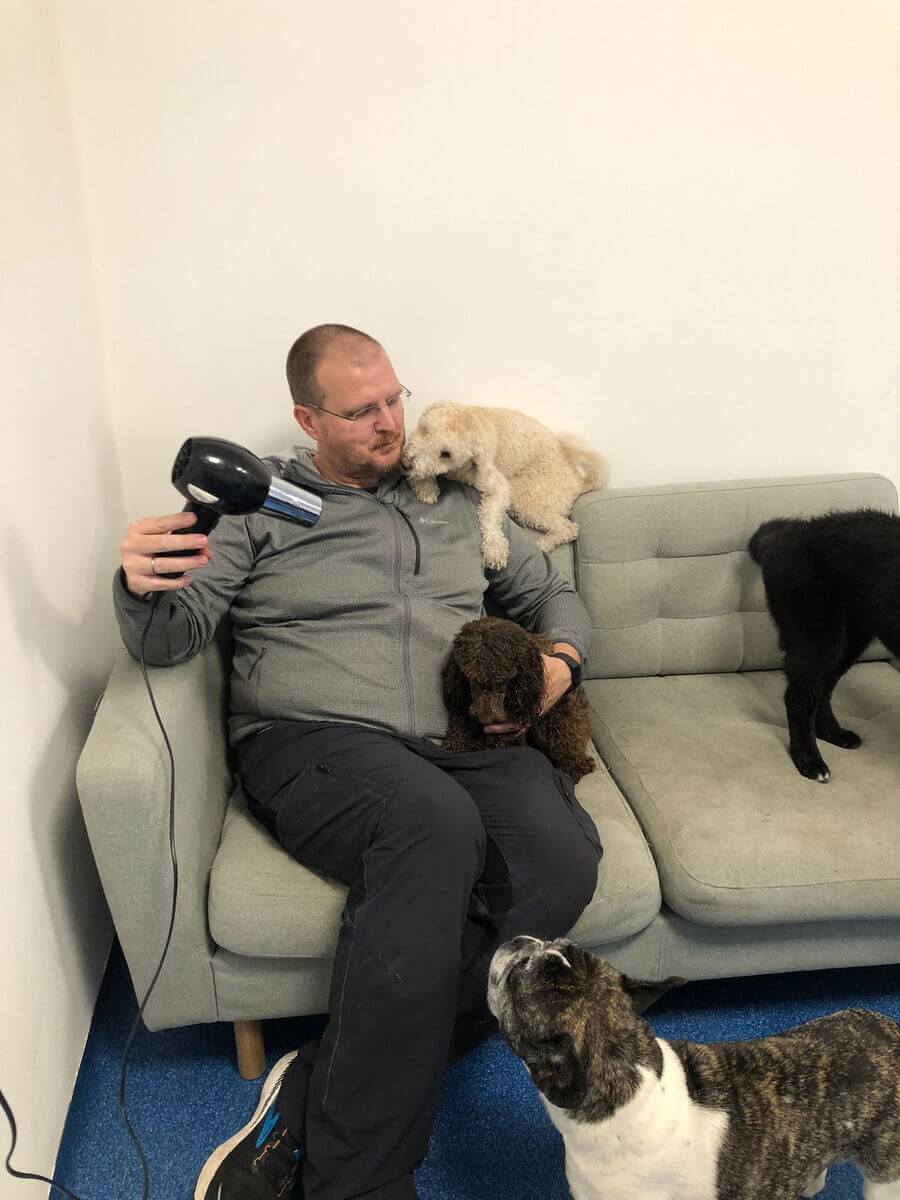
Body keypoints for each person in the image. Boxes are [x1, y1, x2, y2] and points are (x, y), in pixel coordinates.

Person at [114, 325, 602, 1200]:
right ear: (308, 419)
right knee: (433, 825)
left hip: (455, 745)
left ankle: (315, 1088)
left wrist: (561, 659)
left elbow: (552, 593)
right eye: (362, 410)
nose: (389, 423)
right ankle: (359, 1181)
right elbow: (169, 637)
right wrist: (141, 586)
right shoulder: (259, 504)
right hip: (313, 742)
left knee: (563, 857)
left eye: (393, 399)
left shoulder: (456, 499)